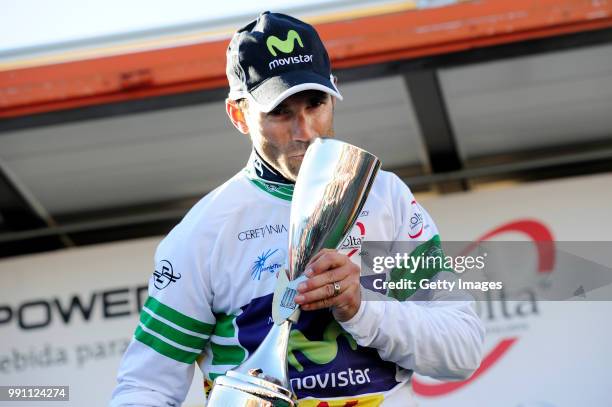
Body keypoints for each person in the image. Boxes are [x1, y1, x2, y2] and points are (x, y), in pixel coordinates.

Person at [111, 11, 484, 407]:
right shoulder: (203, 232)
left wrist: (361, 307)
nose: (304, 131)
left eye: (315, 103)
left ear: (333, 91)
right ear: (238, 114)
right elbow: (144, 389)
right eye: (280, 112)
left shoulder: (383, 196)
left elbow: (462, 349)